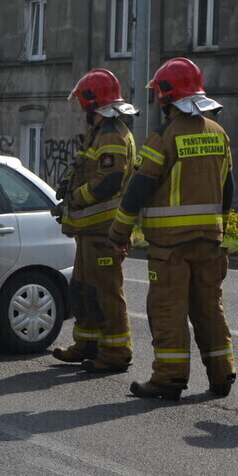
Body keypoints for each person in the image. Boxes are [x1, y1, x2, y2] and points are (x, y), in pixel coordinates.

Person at [108, 57, 235, 400]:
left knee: (168, 310)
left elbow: (138, 189)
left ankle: (169, 378)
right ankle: (222, 374)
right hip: (211, 240)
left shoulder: (163, 137)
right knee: (209, 307)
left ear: (166, 96)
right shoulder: (218, 133)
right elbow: (228, 188)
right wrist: (216, 227)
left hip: (171, 247)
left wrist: (119, 235)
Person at [50, 69, 137, 374]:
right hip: (89, 231)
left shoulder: (112, 133)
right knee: (83, 289)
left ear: (91, 102)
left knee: (106, 292)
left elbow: (108, 181)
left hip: (104, 230)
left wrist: (75, 199)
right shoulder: (100, 132)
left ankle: (116, 352)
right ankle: (86, 344)